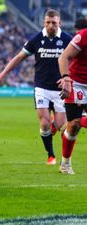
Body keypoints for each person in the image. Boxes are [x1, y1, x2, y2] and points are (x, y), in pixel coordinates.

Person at [0, 9, 72, 165]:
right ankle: (51, 155)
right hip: (41, 87)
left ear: (59, 23)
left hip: (59, 90)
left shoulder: (67, 40)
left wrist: (68, 79)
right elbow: (18, 58)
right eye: (48, 23)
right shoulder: (36, 39)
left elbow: (76, 62)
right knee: (44, 123)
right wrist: (2, 75)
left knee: (61, 125)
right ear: (44, 23)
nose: (50, 26)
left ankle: (54, 125)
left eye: (54, 23)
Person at [57, 23, 87, 175]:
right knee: (74, 125)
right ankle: (65, 163)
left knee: (74, 124)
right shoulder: (83, 35)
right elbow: (64, 57)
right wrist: (66, 79)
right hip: (77, 84)